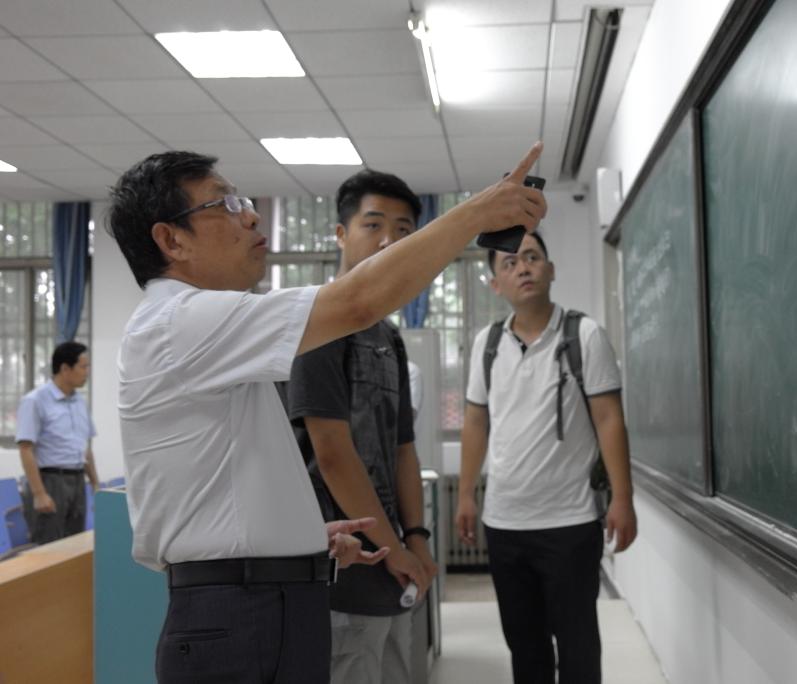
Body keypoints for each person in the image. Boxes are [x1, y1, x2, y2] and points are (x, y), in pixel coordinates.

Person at [107, 144, 545, 683]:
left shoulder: (212, 331)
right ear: (172, 239)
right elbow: (358, 304)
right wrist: (477, 213)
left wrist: (301, 534)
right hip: (237, 609)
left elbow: (229, 476)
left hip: (268, 595)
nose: (251, 216)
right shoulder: (180, 321)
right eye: (225, 205)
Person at [456, 232, 638, 684]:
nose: (523, 267)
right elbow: (475, 422)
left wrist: (623, 498)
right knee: (525, 648)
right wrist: (465, 494)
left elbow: (609, 419)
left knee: (578, 646)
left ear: (551, 269)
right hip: (505, 524)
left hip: (570, 523)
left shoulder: (584, 335)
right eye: (510, 263)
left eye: (532, 257)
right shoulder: (487, 344)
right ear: (495, 283)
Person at [286, 170, 438, 684]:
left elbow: (404, 449)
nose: (389, 241)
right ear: (340, 234)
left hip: (392, 567)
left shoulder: (388, 337)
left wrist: (416, 539)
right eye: (373, 225)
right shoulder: (318, 324)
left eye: (403, 229)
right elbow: (331, 453)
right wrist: (395, 550)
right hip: (343, 569)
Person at [16, 341, 100, 544]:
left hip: (77, 481)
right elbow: (25, 449)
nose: (87, 372)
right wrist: (39, 494)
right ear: (65, 368)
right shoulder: (35, 400)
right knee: (49, 547)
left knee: (75, 546)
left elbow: (85, 449)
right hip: (51, 481)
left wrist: (95, 484)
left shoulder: (79, 402)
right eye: (83, 367)